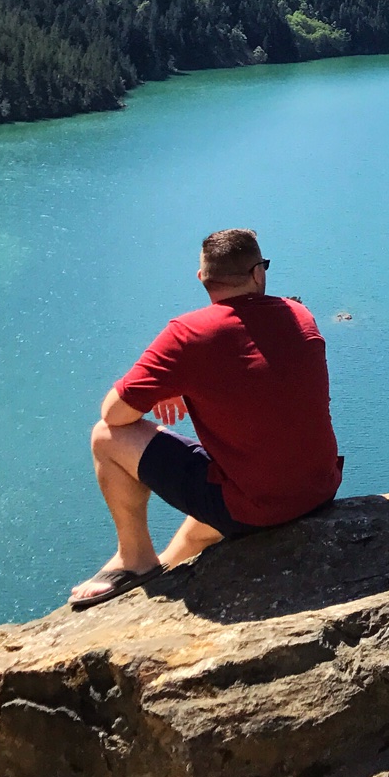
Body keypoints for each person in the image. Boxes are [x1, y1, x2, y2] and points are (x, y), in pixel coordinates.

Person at [69, 229, 343, 609]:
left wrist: (172, 383)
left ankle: (134, 560)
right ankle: (165, 568)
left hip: (259, 508)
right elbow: (260, 376)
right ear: (258, 273)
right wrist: (183, 381)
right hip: (317, 490)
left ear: (203, 279)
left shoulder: (188, 335)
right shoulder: (299, 314)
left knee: (104, 438)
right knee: (196, 533)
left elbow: (114, 415)